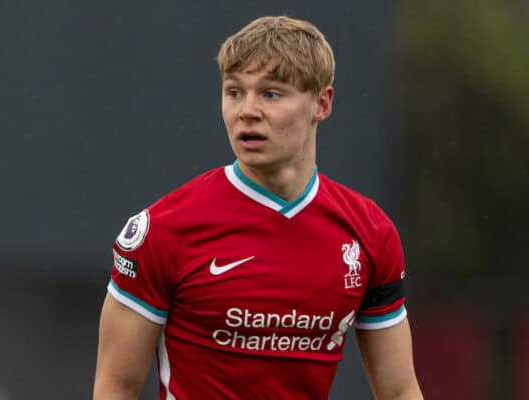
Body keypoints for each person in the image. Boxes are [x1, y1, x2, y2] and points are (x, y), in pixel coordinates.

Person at [93, 15, 423, 400]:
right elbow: (116, 386)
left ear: (322, 103)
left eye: (271, 94)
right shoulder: (163, 228)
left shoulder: (369, 232)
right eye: (234, 92)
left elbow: (398, 389)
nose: (247, 111)